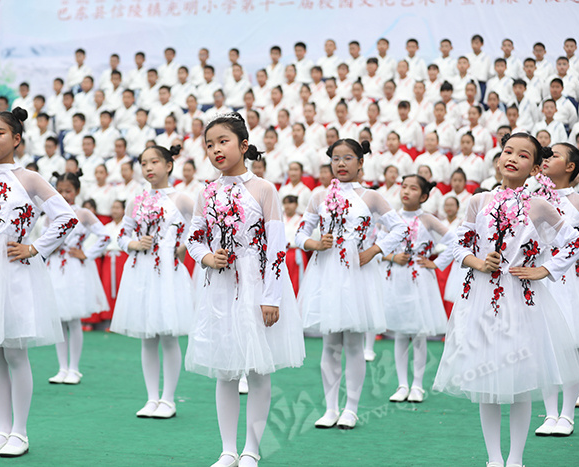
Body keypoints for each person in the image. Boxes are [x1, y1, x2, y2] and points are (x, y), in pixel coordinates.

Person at [433, 132, 579, 467]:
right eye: (507, 151)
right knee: (486, 379)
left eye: (524, 155)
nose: (512, 158)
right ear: (499, 158)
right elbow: (458, 245)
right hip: (483, 298)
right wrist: (477, 262)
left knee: (521, 379)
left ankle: (515, 459)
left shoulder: (541, 205)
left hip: (523, 298)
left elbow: (573, 241)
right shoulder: (479, 201)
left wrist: (544, 269)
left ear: (534, 169)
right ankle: (493, 458)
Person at [0, 108, 78, 457]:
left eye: (0, 133)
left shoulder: (30, 178)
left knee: (15, 354)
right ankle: (1, 430)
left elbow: (66, 217)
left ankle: (20, 432)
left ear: (17, 138)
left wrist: (34, 248)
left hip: (15, 275)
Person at [185, 113, 304, 467]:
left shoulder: (264, 189)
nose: (216, 149)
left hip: (255, 285)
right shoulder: (206, 192)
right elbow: (194, 237)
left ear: (244, 145)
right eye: (209, 144)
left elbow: (277, 245)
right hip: (219, 288)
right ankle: (227, 449)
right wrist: (207, 256)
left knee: (257, 369)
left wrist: (272, 297)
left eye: (223, 141)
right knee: (225, 369)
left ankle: (251, 449)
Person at [297, 139, 406, 429]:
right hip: (327, 272)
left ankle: (351, 408)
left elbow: (400, 227)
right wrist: (315, 243)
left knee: (354, 344)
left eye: (348, 158)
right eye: (335, 158)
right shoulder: (319, 195)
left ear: (361, 162)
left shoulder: (371, 197)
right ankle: (330, 408)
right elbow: (299, 234)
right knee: (330, 344)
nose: (341, 163)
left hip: (357, 274)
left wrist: (374, 250)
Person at [111, 145, 195, 420]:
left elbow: (201, 229)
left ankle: (168, 399)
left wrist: (183, 247)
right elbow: (122, 236)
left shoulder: (181, 199)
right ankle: (151, 398)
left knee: (169, 337)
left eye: (154, 162)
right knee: (147, 338)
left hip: (168, 274)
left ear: (168, 165)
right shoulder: (136, 200)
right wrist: (134, 243)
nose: (148, 168)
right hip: (141, 273)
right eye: (144, 163)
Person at [535, 142, 579, 436]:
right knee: (547, 347)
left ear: (571, 167)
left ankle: (567, 415)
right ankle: (549, 413)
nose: (547, 159)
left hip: (571, 281)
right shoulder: (533, 198)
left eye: (554, 155)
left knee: (569, 346)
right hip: (540, 279)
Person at [383, 175, 456, 403]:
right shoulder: (390, 219)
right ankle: (402, 384)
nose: (406, 192)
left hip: (420, 281)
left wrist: (436, 262)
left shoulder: (428, 220)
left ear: (424, 196)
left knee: (418, 334)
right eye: (403, 187)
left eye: (413, 189)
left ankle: (417, 385)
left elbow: (457, 241)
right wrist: (393, 257)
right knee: (400, 332)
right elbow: (376, 247)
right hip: (397, 279)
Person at [47, 171, 110, 385]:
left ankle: (74, 368)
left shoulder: (83, 214)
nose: (64, 195)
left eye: (69, 191)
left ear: (77, 191)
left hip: (75, 268)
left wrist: (87, 253)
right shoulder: (50, 213)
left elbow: (105, 236)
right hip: (55, 268)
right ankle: (61, 367)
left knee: (73, 320)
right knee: (59, 321)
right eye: (60, 191)